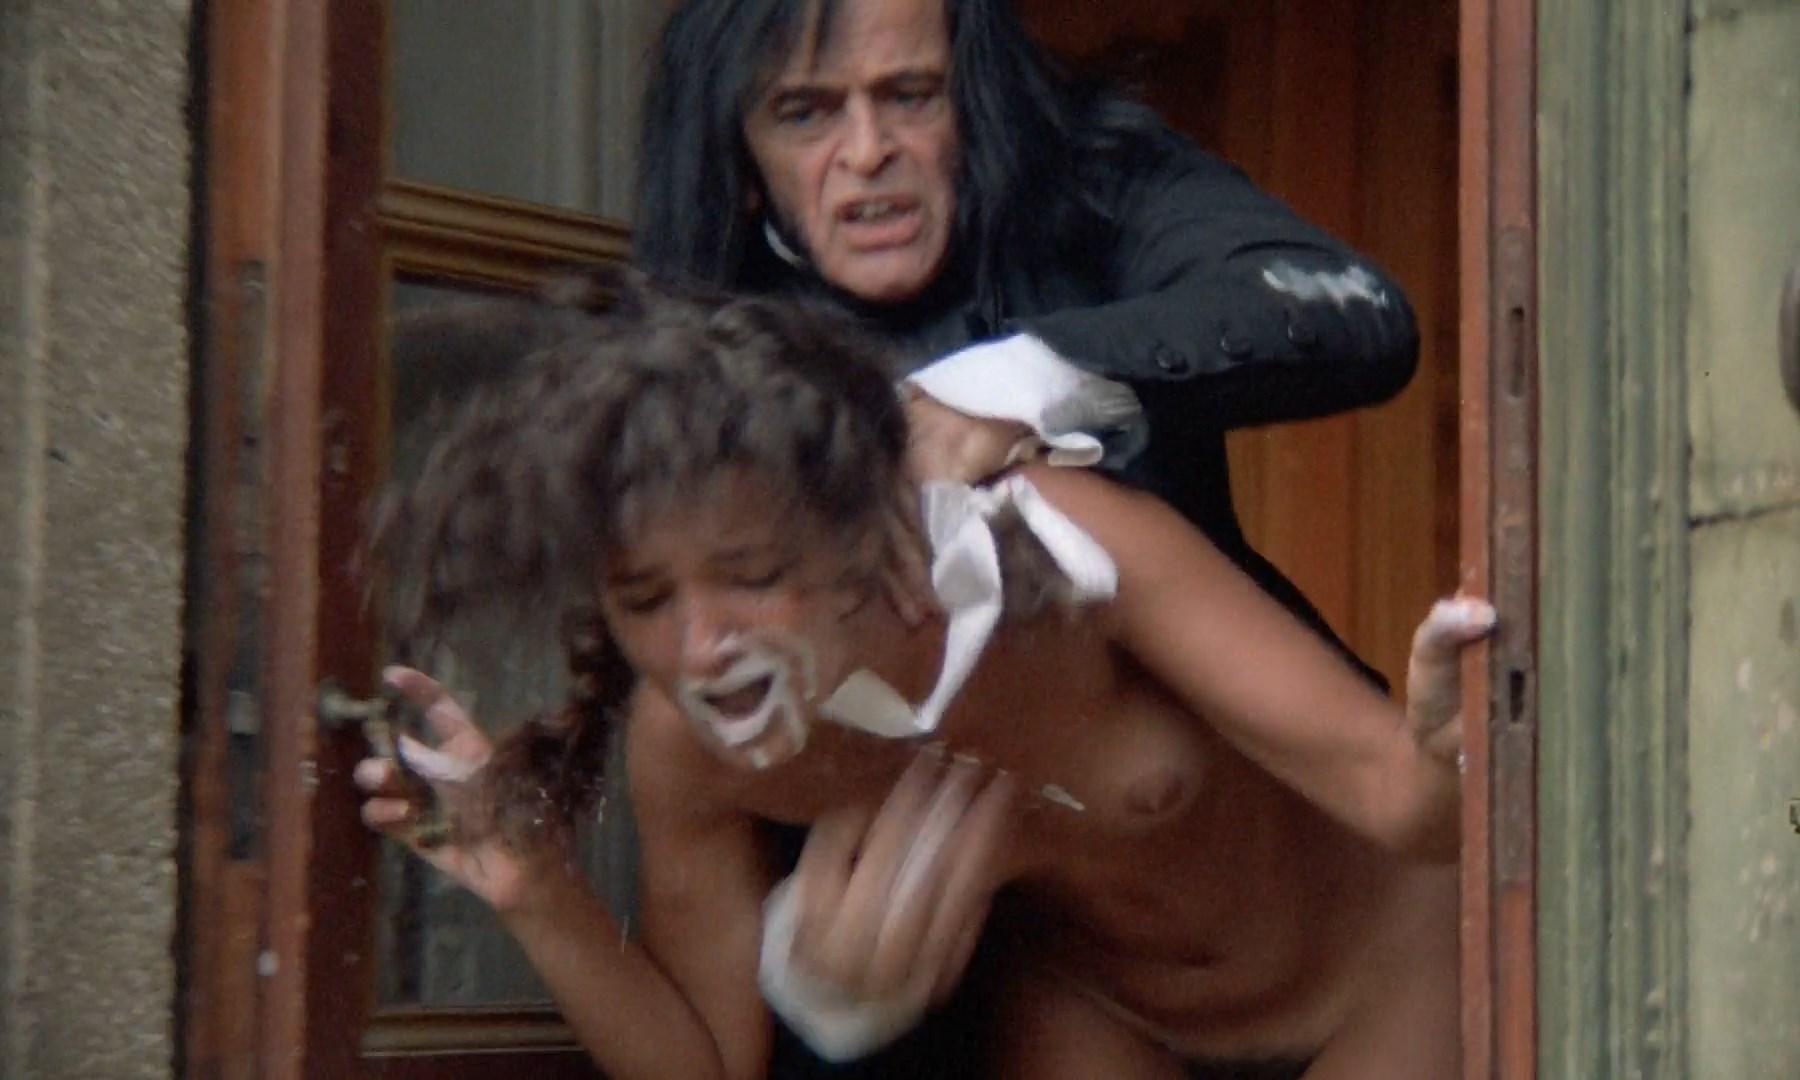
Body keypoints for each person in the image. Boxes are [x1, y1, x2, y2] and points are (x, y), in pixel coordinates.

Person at [358, 277, 1491, 1079]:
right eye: (646, 601)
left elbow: (1405, 803)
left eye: (752, 576)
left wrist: (1448, 751)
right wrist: (540, 895)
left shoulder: (1058, 553)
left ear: (862, 524)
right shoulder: (688, 747)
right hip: (1108, 1017)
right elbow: (707, 1066)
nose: (701, 646)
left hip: (1377, 967)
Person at [634, 0, 1421, 659]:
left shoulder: (1091, 171)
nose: (868, 151)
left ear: (974, 97)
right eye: (806, 113)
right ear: (739, 149)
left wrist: (1020, 388)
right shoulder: (698, 319)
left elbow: (1353, 304)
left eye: (911, 95)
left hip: (1224, 745)